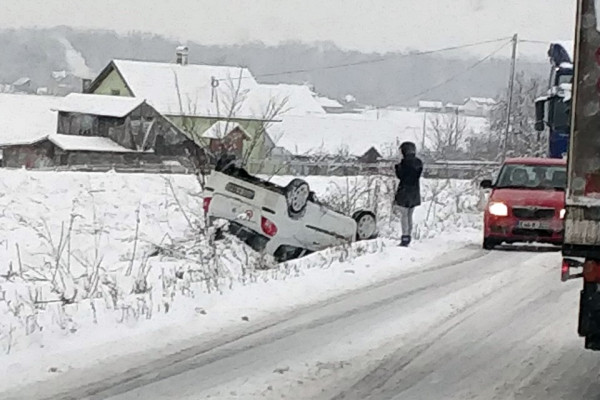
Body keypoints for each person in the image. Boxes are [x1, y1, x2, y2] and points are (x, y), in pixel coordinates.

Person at [394, 141, 423, 247]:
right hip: (414, 192)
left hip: (404, 191)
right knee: (410, 215)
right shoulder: (418, 162)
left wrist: (397, 166)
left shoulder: (403, 163)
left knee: (404, 216)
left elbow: (400, 176)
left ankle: (404, 237)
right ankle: (409, 236)